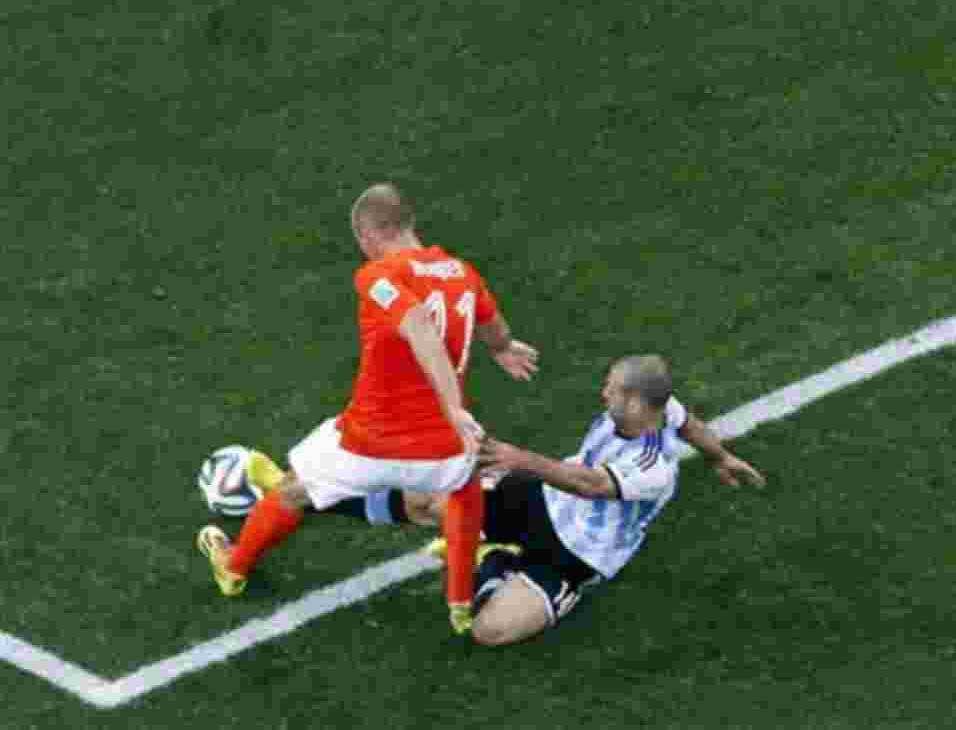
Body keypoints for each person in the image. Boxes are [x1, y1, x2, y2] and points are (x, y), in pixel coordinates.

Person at [196, 182, 539, 634]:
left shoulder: (376, 276)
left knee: (292, 490)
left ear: (366, 235)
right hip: (443, 449)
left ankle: (234, 569)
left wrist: (452, 404)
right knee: (463, 490)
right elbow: (493, 326)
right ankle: (459, 604)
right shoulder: (461, 273)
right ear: (409, 223)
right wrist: (503, 349)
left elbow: (418, 325)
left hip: (369, 443)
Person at [261, 354, 762, 645]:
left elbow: (588, 484)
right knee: (428, 503)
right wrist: (720, 456)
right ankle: (307, 497)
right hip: (540, 499)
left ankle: (495, 558)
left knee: (489, 631)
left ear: (635, 402)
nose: (601, 393)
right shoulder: (655, 407)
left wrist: (519, 458)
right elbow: (688, 421)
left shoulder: (655, 469)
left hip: (574, 555)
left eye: (610, 390)